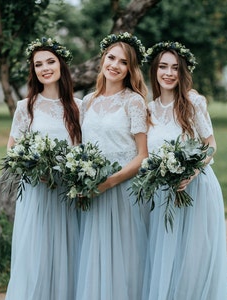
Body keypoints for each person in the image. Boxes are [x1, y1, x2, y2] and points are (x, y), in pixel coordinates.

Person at [142, 41, 227, 299]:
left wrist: (191, 171)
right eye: (163, 67)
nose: (168, 73)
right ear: (155, 71)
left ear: (182, 72)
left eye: (175, 68)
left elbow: (210, 144)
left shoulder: (193, 102)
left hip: (197, 188)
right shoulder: (148, 110)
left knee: (194, 256)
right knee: (166, 253)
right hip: (163, 194)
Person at [5, 37, 82, 300]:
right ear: (34, 70)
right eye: (38, 64)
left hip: (66, 195)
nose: (45, 68)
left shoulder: (79, 107)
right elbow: (12, 151)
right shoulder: (25, 107)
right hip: (37, 194)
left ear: (61, 64)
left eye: (50, 61)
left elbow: (84, 149)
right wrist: (35, 166)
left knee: (67, 251)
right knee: (35, 252)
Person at [75, 32, 150, 300]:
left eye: (123, 62)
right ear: (102, 59)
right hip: (93, 189)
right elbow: (81, 147)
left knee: (126, 254)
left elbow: (143, 155)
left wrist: (109, 182)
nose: (115, 65)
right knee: (96, 252)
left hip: (122, 189)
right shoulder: (87, 101)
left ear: (130, 69)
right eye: (111, 58)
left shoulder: (134, 101)